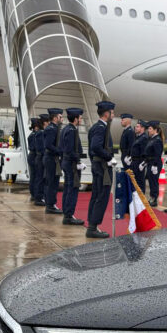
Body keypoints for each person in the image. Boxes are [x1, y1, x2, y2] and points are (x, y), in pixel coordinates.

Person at [86, 101, 118, 238]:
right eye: (112, 112)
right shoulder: (101, 128)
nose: (113, 115)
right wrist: (108, 158)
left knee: (96, 195)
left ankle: (92, 225)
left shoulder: (96, 127)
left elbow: (91, 149)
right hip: (103, 168)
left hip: (98, 165)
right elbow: (95, 147)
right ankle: (93, 227)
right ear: (107, 113)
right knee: (102, 196)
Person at [58, 108, 85, 226]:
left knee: (68, 188)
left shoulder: (66, 129)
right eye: (80, 117)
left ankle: (67, 213)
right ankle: (68, 216)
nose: (81, 119)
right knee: (72, 189)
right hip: (71, 164)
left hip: (67, 162)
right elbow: (70, 149)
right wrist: (78, 161)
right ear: (75, 119)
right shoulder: (72, 130)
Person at [42, 108, 64, 214]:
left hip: (53, 158)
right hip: (51, 158)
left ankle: (51, 204)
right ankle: (50, 205)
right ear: (55, 118)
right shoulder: (51, 129)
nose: (62, 118)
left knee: (54, 182)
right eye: (60, 116)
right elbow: (48, 145)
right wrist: (59, 151)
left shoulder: (55, 128)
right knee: (52, 182)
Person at [144, 121, 164, 207]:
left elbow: (157, 154)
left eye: (150, 129)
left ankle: (154, 198)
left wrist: (155, 165)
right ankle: (152, 197)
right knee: (151, 181)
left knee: (154, 181)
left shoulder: (157, 140)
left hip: (154, 163)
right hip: (150, 162)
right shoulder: (152, 139)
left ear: (155, 130)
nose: (148, 130)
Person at [31, 113, 49, 205]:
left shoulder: (41, 132)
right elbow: (42, 147)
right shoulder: (41, 133)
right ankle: (38, 198)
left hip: (40, 157)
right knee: (40, 178)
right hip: (40, 157)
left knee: (40, 177)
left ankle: (39, 197)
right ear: (45, 123)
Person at [129, 119, 148, 192]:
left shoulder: (144, 138)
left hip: (139, 163)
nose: (135, 128)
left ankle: (141, 199)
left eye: (137, 127)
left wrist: (143, 163)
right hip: (134, 162)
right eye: (136, 126)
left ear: (142, 128)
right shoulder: (138, 137)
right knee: (134, 182)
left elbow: (144, 152)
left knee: (139, 182)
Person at [25, 117, 40, 203]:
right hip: (33, 156)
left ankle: (33, 193)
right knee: (34, 176)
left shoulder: (33, 134)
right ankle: (33, 194)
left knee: (34, 176)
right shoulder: (33, 135)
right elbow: (34, 147)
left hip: (32, 156)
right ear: (35, 127)